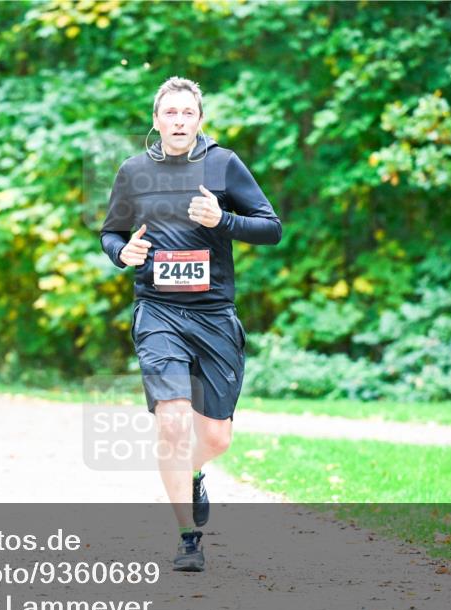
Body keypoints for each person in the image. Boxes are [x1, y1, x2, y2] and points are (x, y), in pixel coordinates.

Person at [100, 77, 283, 572]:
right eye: (170, 113)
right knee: (173, 421)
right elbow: (112, 232)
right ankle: (187, 538)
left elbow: (271, 228)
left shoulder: (223, 164)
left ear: (199, 120)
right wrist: (123, 253)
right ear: (156, 120)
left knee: (216, 436)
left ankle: (195, 472)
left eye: (188, 113)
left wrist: (221, 219)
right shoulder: (133, 171)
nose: (179, 121)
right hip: (157, 310)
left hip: (214, 314)